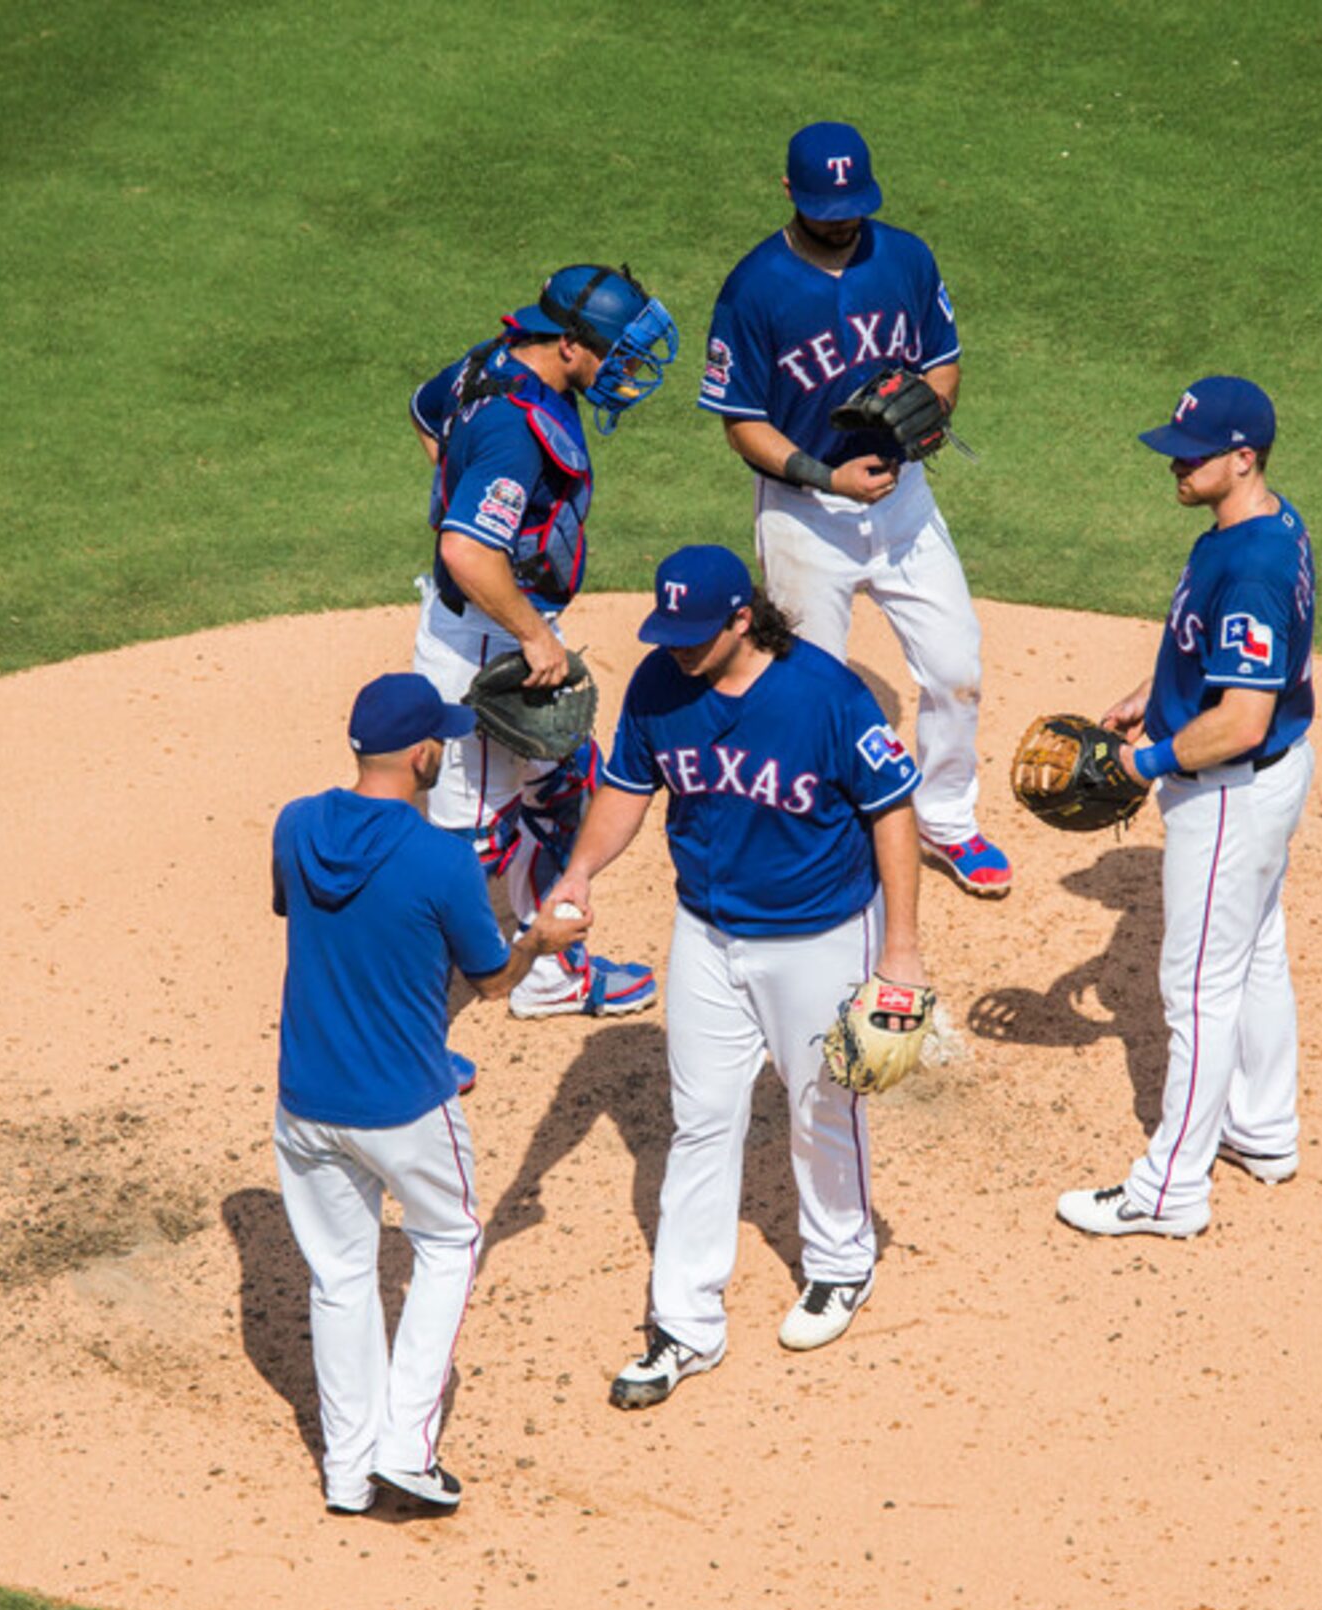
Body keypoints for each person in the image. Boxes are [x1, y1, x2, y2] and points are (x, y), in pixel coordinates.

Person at [551, 546, 929, 1409]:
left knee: (820, 1103)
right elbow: (625, 788)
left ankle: (842, 1263)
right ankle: (684, 1326)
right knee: (701, 1120)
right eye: (669, 633)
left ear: (741, 619)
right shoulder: (658, 685)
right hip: (707, 932)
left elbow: (892, 811)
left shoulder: (826, 695)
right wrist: (580, 871)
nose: (677, 650)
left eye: (694, 635)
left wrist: (900, 948)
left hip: (821, 932)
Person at [271, 673, 592, 1514]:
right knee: (449, 1244)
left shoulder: (296, 825)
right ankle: (406, 1447)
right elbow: (491, 986)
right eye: (440, 743)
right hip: (406, 1105)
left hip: (305, 1102)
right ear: (420, 755)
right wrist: (539, 938)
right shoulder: (441, 856)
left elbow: (304, 910)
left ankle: (347, 1476)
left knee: (340, 1278)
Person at [697, 122, 1012, 901]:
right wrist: (825, 477)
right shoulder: (754, 286)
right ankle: (827, 826)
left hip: (904, 506)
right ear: (788, 192)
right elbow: (741, 422)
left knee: (955, 667)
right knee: (808, 687)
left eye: (851, 203)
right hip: (806, 518)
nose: (840, 218)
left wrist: (930, 411)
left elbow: (940, 359)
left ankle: (944, 815)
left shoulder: (904, 257)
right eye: (823, 204)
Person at [1058, 376, 1318, 1240]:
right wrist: (1154, 692)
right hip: (1268, 779)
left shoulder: (1252, 566)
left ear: (1243, 459)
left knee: (1197, 988)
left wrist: (1148, 762)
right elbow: (1219, 658)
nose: (1174, 467)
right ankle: (1264, 1129)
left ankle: (1169, 1190)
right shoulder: (1263, 523)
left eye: (1192, 455)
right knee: (1256, 953)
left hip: (1229, 794)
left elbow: (1241, 720)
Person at [409, 264, 678, 1021]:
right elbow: (468, 551)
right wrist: (533, 636)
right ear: (567, 344)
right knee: (471, 827)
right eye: (614, 353)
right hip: (491, 642)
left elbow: (429, 418)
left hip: (498, 623)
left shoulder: (484, 364)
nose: (626, 370)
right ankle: (440, 1006)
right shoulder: (513, 430)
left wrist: (455, 483)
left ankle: (528, 947)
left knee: (557, 785)